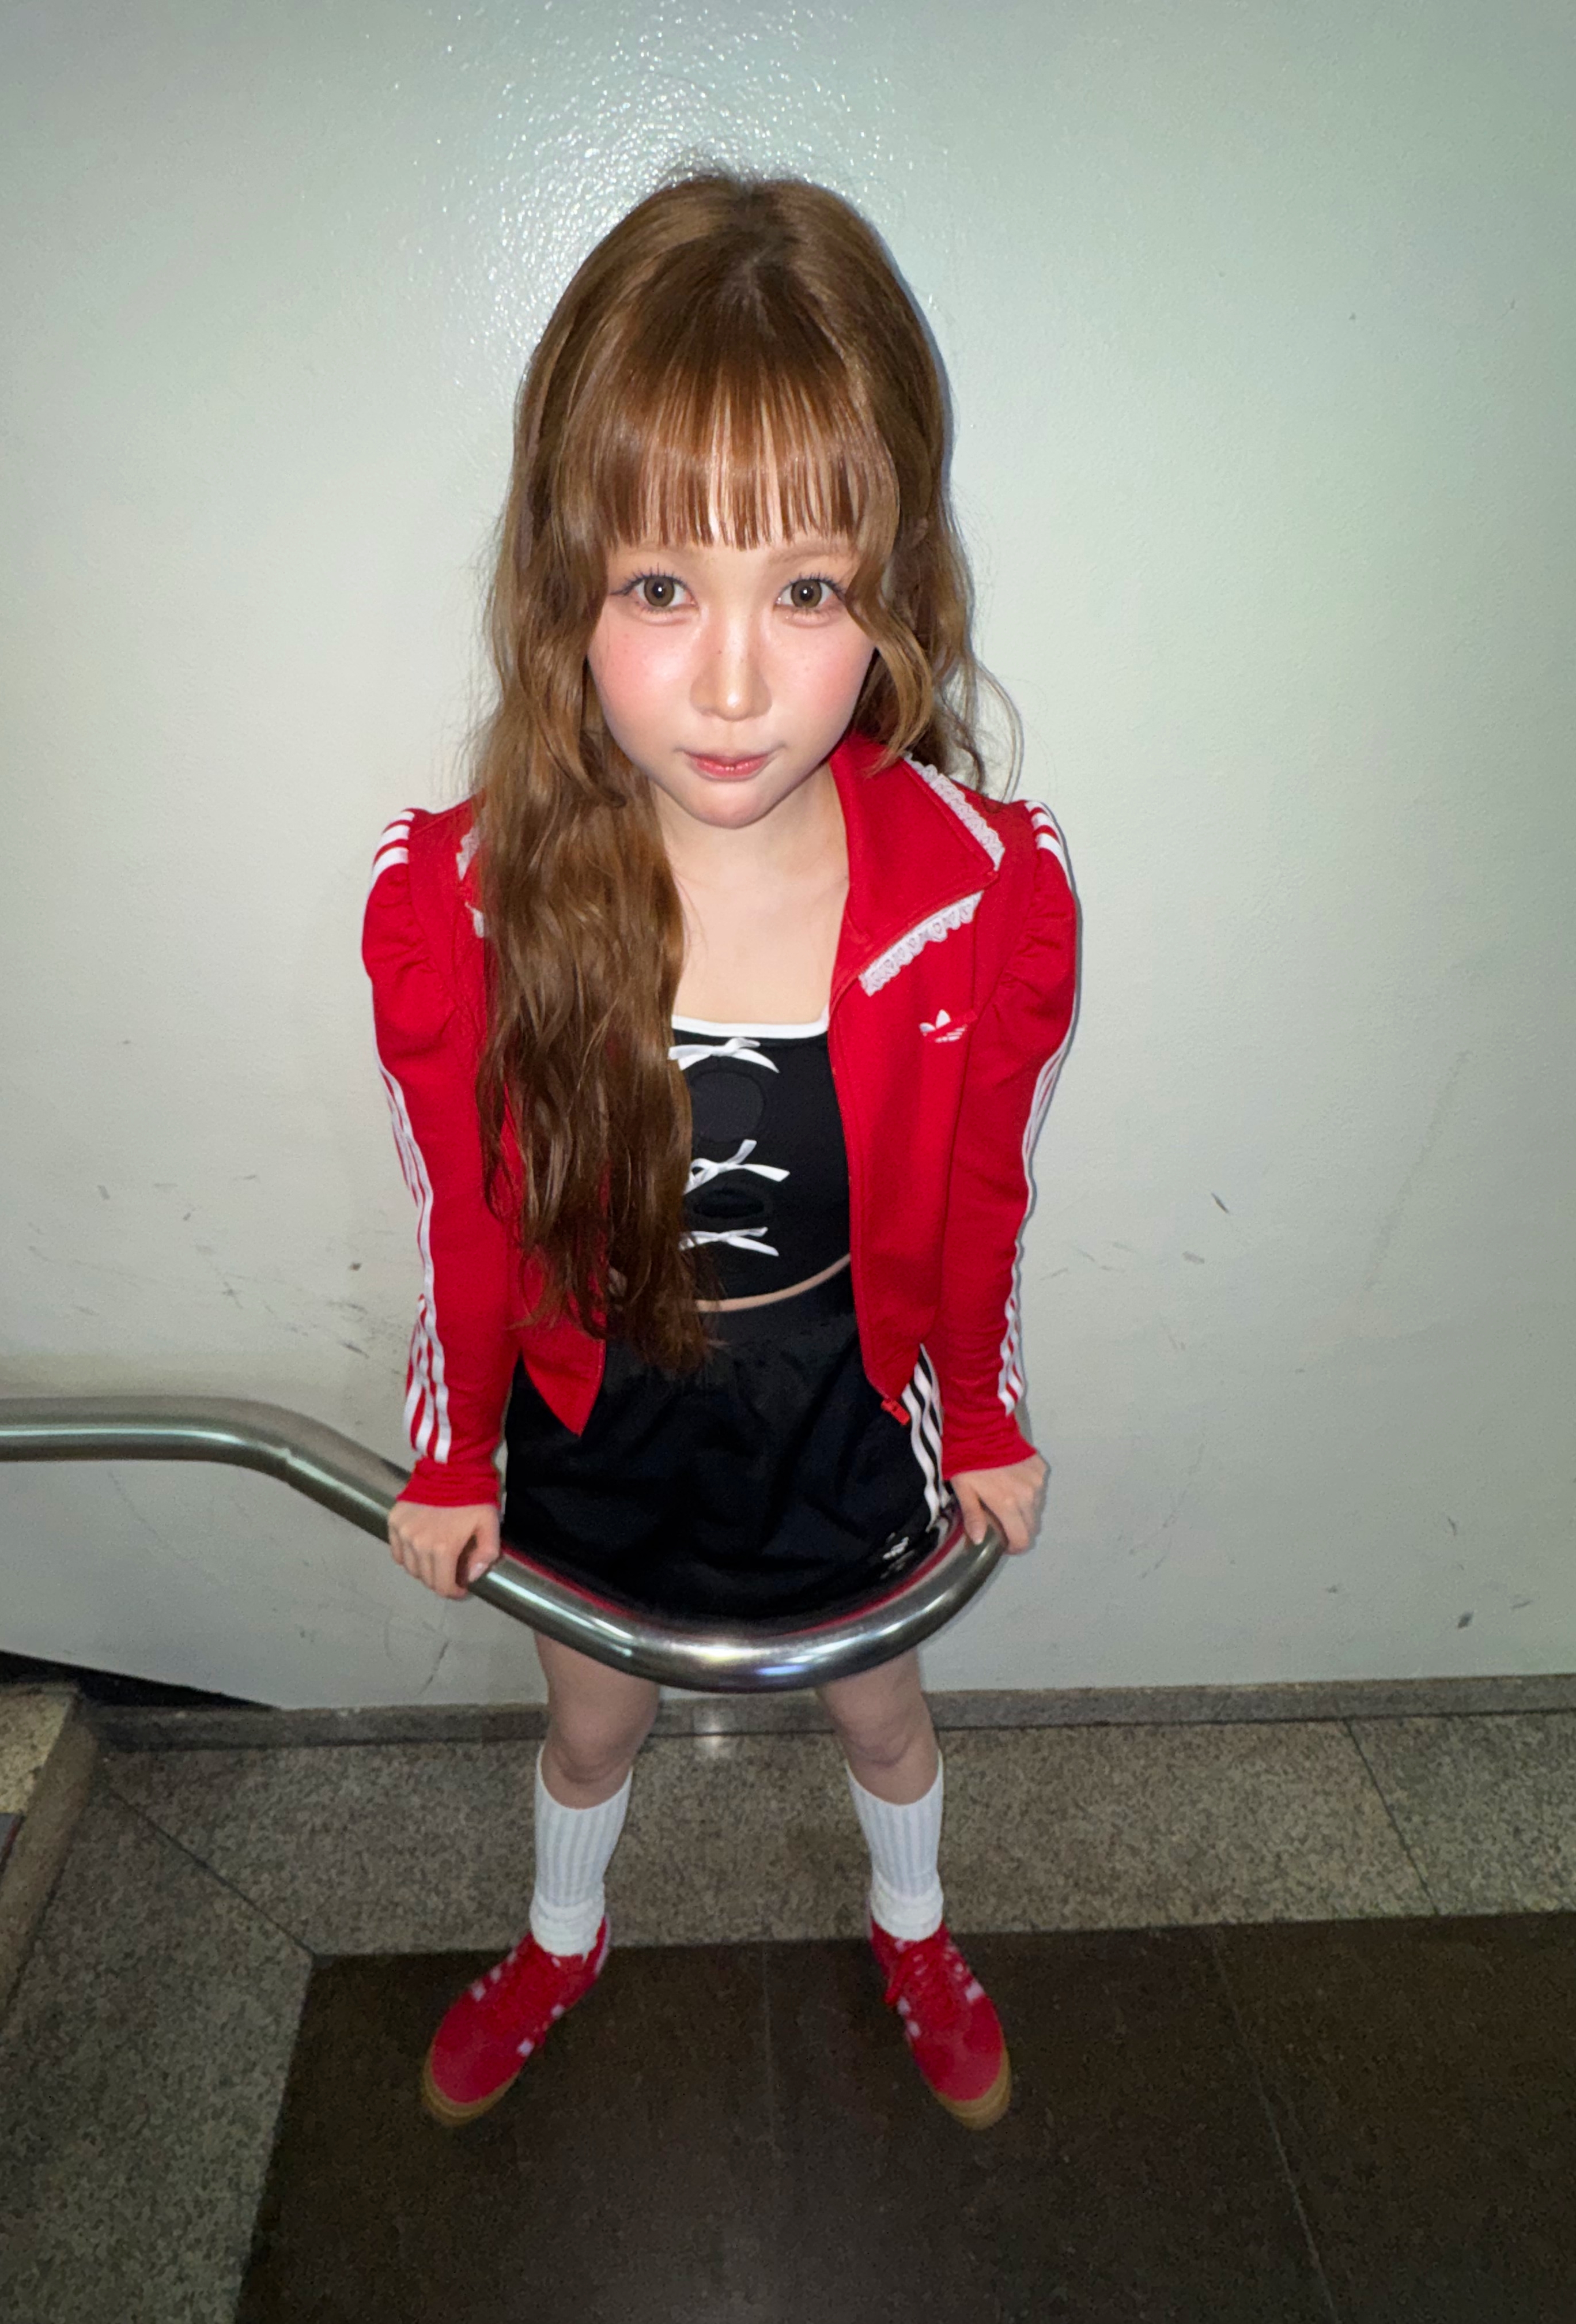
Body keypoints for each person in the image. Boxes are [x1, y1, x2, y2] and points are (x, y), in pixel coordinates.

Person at [361, 173, 1078, 2136]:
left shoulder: (981, 896)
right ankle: (559, 1939)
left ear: (893, 593)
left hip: (842, 1392)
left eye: (809, 592)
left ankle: (915, 1930)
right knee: (591, 1727)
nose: (740, 682)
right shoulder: (468, 904)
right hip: (601, 1401)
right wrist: (458, 1449)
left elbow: (984, 1194)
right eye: (665, 590)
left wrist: (983, 1417)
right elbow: (466, 1215)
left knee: (886, 1710)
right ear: (567, 589)